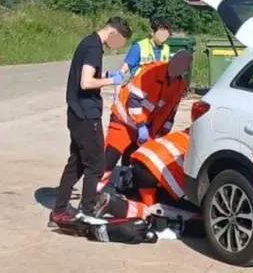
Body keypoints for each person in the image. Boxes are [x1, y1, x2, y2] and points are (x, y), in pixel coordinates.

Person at [49, 16, 132, 227]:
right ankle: (88, 210)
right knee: (95, 165)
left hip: (76, 113)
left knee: (76, 163)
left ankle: (59, 210)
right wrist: (110, 81)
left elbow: (88, 73)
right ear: (113, 33)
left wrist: (105, 73)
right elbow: (86, 82)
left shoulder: (88, 42)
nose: (118, 46)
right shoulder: (94, 47)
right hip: (87, 115)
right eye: (120, 41)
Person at [103, 50, 192, 173]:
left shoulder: (179, 85)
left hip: (144, 126)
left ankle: (124, 180)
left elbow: (169, 115)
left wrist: (161, 136)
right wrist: (141, 125)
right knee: (110, 158)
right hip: (123, 120)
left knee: (138, 160)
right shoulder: (152, 71)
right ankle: (95, 189)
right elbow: (134, 100)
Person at [94, 128, 199, 221]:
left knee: (149, 203)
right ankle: (113, 205)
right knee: (156, 211)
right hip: (153, 171)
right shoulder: (199, 146)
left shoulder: (187, 133)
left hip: (141, 160)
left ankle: (110, 201)